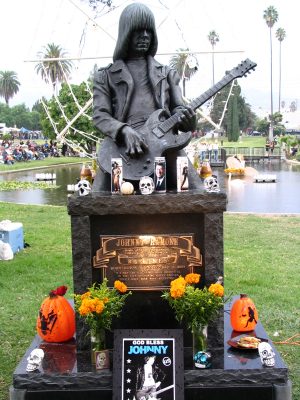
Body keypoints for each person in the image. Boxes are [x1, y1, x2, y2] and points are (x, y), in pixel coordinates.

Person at [93, 3, 197, 191]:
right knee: (96, 200)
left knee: (199, 191)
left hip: (165, 147)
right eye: (138, 31)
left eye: (149, 31)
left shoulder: (166, 73)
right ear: (126, 33)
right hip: (120, 149)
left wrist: (189, 121)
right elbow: (100, 116)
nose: (145, 36)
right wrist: (124, 131)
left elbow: (178, 110)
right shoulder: (105, 76)